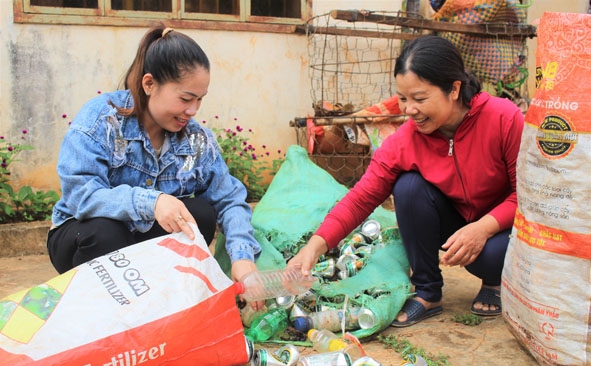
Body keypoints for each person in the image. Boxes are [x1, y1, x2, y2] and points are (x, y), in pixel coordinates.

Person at [288, 35, 524, 327]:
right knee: (408, 187)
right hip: (457, 222)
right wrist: (314, 247)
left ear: (454, 89)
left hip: (503, 229)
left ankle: (493, 283)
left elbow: (526, 197)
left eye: (420, 98)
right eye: (403, 98)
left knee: (488, 257)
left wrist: (482, 229)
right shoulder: (405, 140)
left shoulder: (504, 118)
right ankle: (428, 292)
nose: (409, 109)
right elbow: (360, 198)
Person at [47, 25, 263, 308]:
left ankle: (154, 304)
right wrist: (152, 201)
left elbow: (230, 200)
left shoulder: (196, 141)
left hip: (142, 249)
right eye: (185, 99)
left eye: (199, 99)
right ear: (149, 84)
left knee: (201, 214)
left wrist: (243, 259)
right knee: (104, 231)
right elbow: (81, 196)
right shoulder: (102, 120)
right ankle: (99, 309)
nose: (193, 110)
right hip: (84, 239)